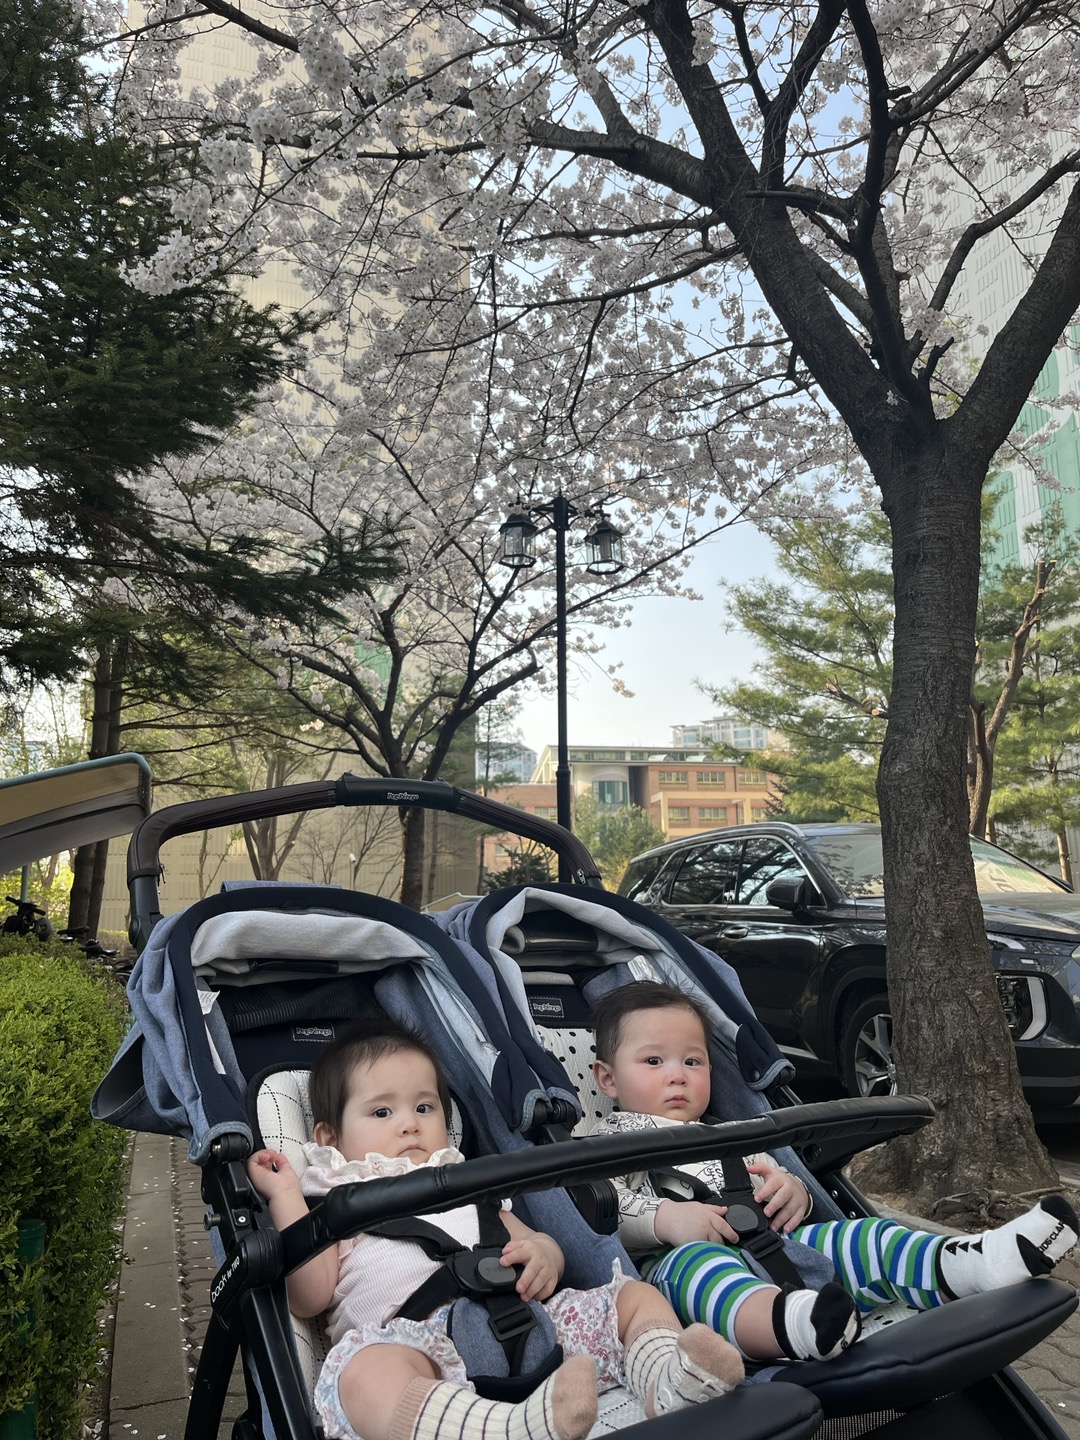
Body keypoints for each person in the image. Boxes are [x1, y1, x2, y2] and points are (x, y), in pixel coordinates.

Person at [247, 1016, 745, 1440]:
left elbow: (531, 1239)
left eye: (425, 1107)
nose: (410, 1124)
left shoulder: (465, 1181)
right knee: (363, 1375)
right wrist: (285, 1196)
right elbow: (309, 1296)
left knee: (632, 1297)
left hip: (529, 1326)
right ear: (329, 1137)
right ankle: (506, 1429)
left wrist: (545, 1255)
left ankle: (667, 1379)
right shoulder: (335, 1201)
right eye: (382, 1111)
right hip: (420, 1349)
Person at [588, 981, 1080, 1366]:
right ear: (608, 1078)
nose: (677, 1074)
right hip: (674, 1263)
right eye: (654, 1061)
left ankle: (974, 1263)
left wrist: (793, 1191)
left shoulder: (729, 1131)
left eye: (693, 1061)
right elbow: (597, 1210)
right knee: (705, 1271)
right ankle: (794, 1328)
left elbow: (769, 1175)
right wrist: (665, 1219)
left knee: (866, 1235)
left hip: (778, 1244)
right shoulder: (606, 1140)